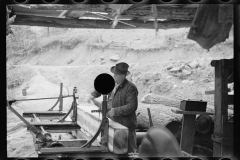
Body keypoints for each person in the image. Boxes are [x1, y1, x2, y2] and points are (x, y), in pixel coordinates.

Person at [88, 62, 138, 153]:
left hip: (126, 128)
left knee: (129, 153)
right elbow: (101, 88)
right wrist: (92, 95)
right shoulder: (114, 84)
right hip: (113, 125)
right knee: (114, 152)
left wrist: (115, 111)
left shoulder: (130, 88)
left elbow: (132, 106)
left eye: (116, 74)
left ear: (122, 75)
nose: (114, 76)